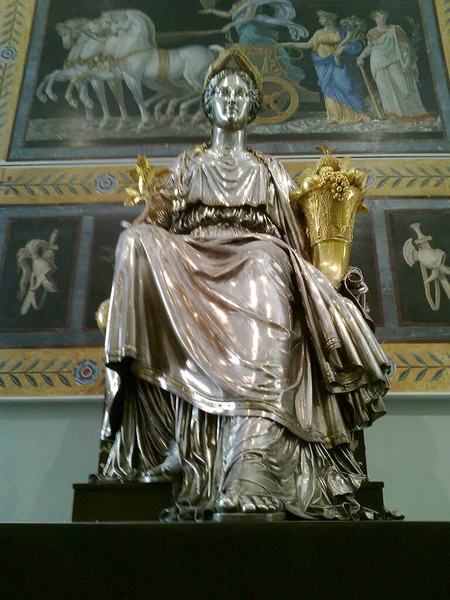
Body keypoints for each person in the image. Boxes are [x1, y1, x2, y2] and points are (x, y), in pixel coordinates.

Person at [100, 48, 390, 521]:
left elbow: (290, 239)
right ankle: (172, 436)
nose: (231, 99)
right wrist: (146, 223)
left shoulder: (269, 170)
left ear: (253, 106)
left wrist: (320, 276)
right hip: (191, 259)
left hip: (257, 257)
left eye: (241, 93)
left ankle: (252, 456)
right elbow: (160, 220)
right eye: (223, 93)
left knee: (266, 258)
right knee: (135, 241)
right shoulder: (189, 166)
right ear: (209, 104)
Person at [282, 10, 369, 123]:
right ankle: (334, 116)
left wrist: (343, 48)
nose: (319, 21)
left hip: (339, 63)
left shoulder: (341, 31)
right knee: (329, 88)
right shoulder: (318, 33)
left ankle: (359, 113)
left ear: (329, 19)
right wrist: (289, 44)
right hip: (323, 64)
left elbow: (354, 43)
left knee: (346, 86)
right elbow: (307, 45)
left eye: (321, 18)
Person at [200, 0, 308, 82]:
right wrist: (212, 11)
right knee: (241, 49)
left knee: (244, 50)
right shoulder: (239, 3)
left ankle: (248, 73)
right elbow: (228, 14)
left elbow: (248, 18)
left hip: (251, 30)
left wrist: (230, 25)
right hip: (242, 30)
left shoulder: (252, 2)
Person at [357, 10, 432, 123]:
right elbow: (369, 47)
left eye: (383, 17)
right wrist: (361, 57)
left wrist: (407, 61)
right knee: (385, 88)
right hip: (378, 62)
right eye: (378, 17)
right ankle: (392, 113)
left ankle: (415, 113)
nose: (381, 19)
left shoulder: (395, 29)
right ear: (374, 19)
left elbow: (405, 46)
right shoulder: (371, 32)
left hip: (394, 60)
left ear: (386, 18)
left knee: (404, 86)